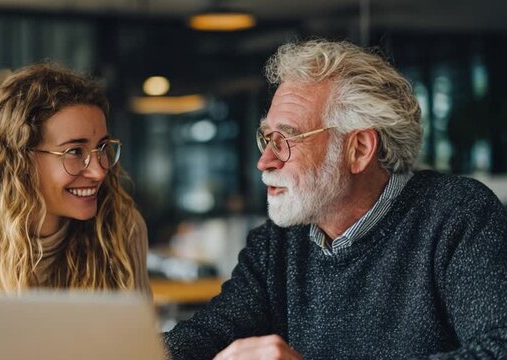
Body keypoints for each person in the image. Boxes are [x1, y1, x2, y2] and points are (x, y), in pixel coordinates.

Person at [164, 39, 507, 359]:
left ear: (358, 150)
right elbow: (207, 334)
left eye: (286, 139)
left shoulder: (459, 215)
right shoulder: (278, 242)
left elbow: (497, 348)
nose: (264, 161)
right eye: (267, 138)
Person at [0, 63, 150, 296]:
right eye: (75, 151)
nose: (99, 171)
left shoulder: (122, 227)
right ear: (19, 159)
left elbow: (138, 333)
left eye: (101, 148)